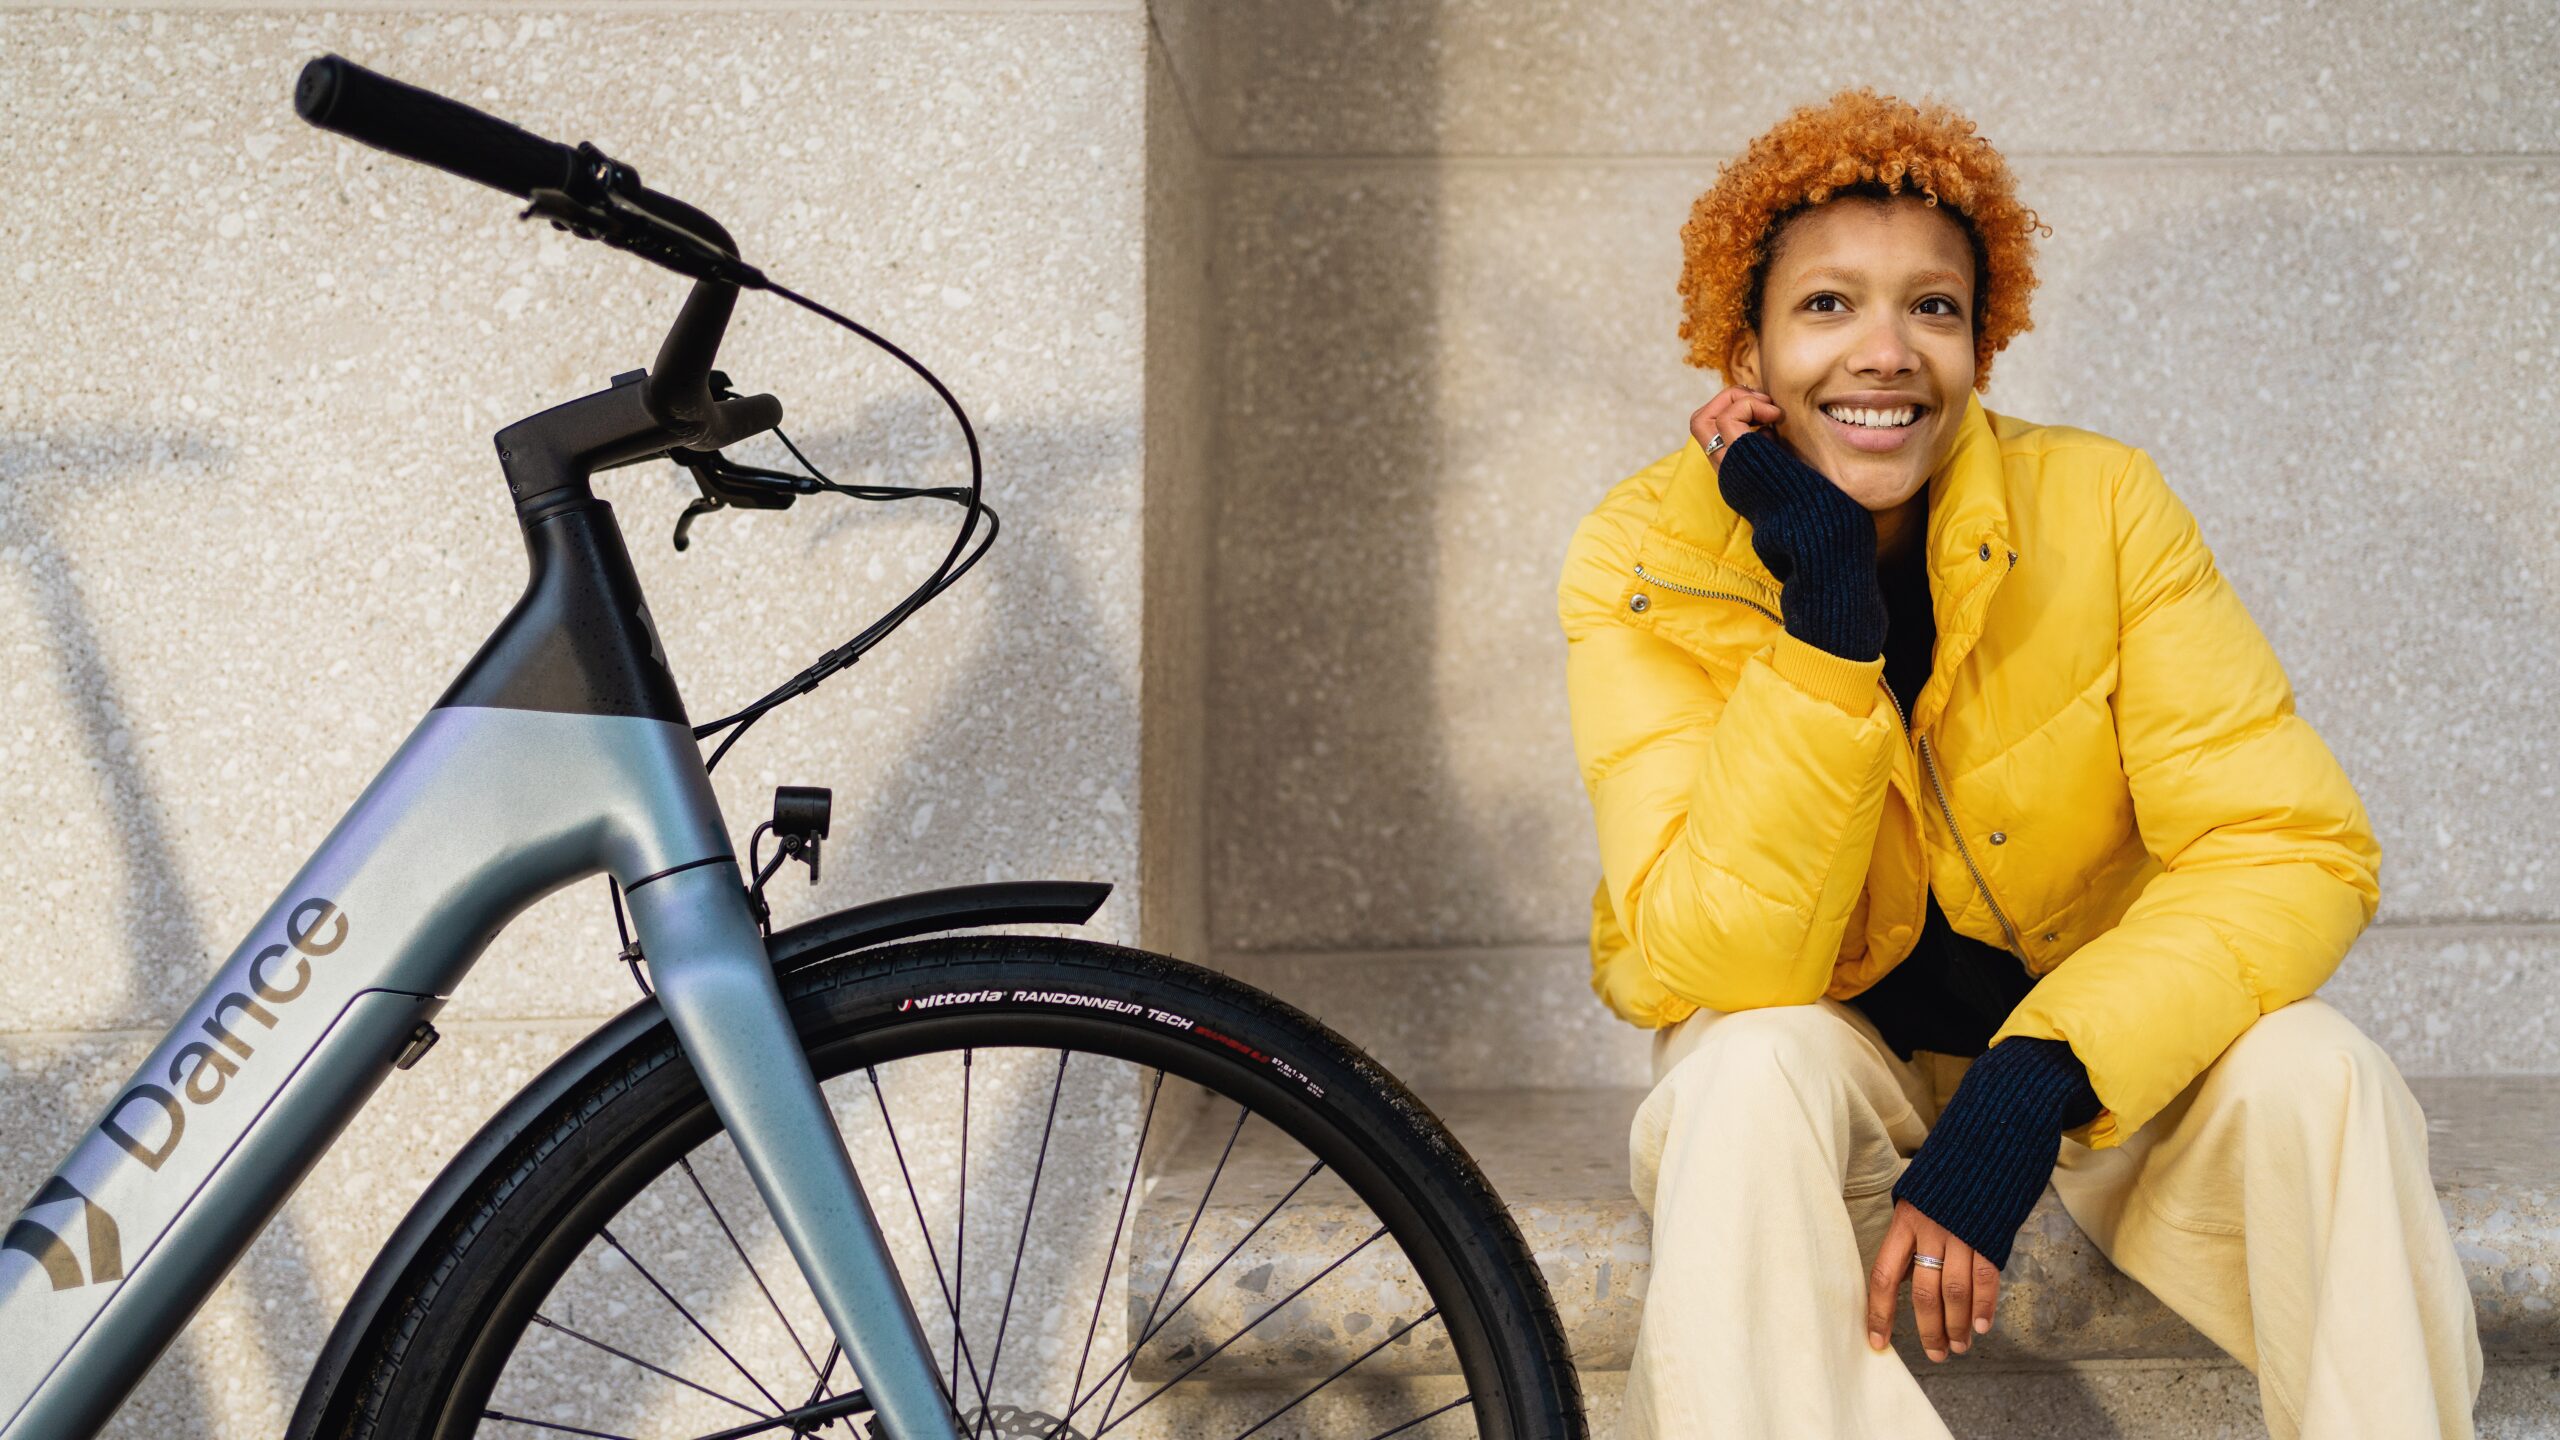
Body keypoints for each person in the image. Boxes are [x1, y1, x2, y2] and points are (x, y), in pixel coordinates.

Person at [1556, 86, 2483, 1438]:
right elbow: (1723, 960)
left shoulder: (2102, 505)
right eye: (1827, 305)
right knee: (1739, 1076)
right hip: (1827, 1065)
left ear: (1979, 343)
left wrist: (2036, 1076)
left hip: (2091, 1049)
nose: (1885, 353)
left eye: (1931, 308)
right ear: (1744, 349)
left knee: (2323, 1072)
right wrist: (1825, 627)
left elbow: (2289, 846)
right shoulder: (1641, 558)